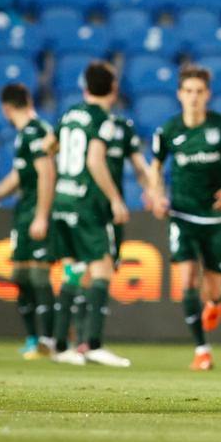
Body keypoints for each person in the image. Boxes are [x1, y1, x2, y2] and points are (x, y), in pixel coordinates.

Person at [147, 65, 221, 371]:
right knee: (187, 281)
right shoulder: (168, 131)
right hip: (181, 212)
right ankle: (201, 349)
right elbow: (155, 166)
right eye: (188, 92)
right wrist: (157, 194)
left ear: (207, 95)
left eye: (199, 92)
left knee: (214, 288)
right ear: (180, 95)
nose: (193, 97)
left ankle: (216, 304)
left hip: (217, 217)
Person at [49, 61, 131, 368]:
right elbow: (96, 161)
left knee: (72, 270)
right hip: (86, 204)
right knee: (102, 270)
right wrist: (116, 199)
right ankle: (93, 344)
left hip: (63, 200)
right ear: (113, 88)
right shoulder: (104, 119)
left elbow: (48, 146)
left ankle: (60, 344)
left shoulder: (70, 114)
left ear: (86, 88)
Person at [0, 83, 56, 359]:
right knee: (21, 276)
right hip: (24, 210)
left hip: (37, 210)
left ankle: (48, 341)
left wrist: (42, 215)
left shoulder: (37, 132)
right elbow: (16, 178)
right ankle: (33, 339)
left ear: (5, 108)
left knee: (39, 276)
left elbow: (47, 174)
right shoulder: (25, 135)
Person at [71, 110, 153, 353]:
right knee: (96, 269)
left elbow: (140, 166)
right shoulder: (91, 122)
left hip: (95, 209)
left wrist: (152, 189)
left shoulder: (119, 126)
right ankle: (86, 341)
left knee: (87, 270)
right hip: (94, 207)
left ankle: (74, 340)